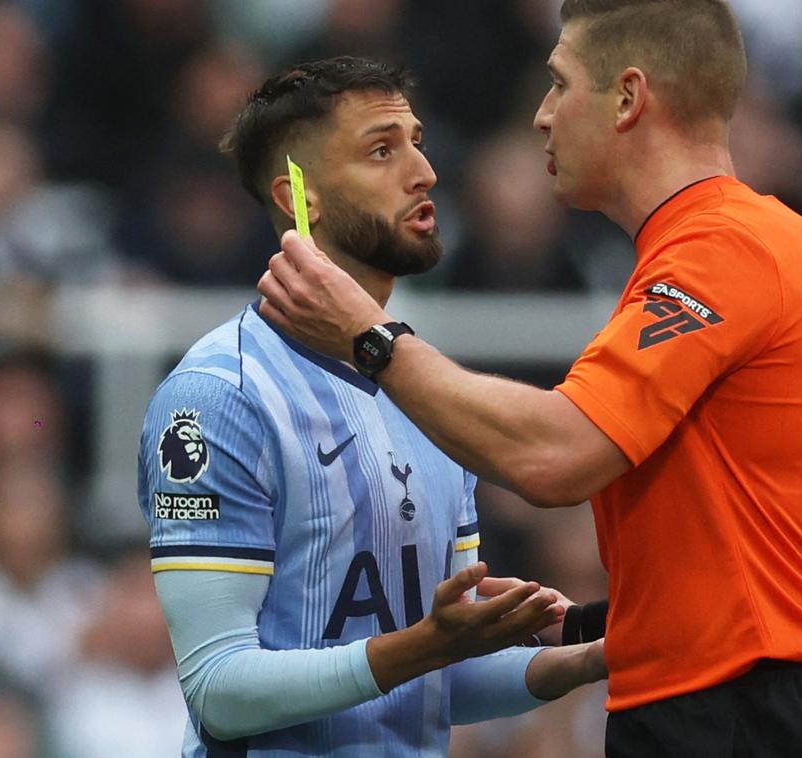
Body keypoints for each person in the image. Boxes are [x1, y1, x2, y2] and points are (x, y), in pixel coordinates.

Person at [256, 1, 802, 755]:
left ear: (628, 98)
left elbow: (554, 457)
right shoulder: (744, 245)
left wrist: (369, 336)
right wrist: (590, 626)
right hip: (749, 707)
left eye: (559, 85)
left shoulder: (724, 251)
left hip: (740, 719)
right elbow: (778, 555)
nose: (541, 117)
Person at [137, 57, 606, 757]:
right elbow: (219, 690)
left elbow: (437, 677)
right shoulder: (216, 399)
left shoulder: (429, 392)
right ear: (300, 198)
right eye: (382, 149)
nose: (424, 172)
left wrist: (594, 657)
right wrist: (419, 647)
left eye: (417, 142)